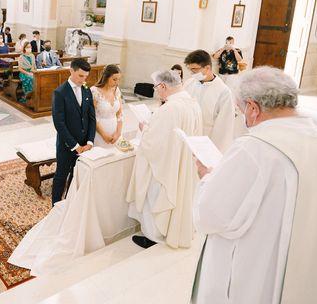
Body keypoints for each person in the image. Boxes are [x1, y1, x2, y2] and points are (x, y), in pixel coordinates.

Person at [191, 67, 317, 304]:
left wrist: (207, 177)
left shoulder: (254, 148)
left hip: (257, 279)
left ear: (253, 108)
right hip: (314, 269)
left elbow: (211, 215)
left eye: (241, 112)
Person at [126, 69, 203, 250]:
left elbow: (155, 142)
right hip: (182, 159)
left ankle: (153, 236)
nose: (156, 91)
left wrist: (145, 128)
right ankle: (171, 229)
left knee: (155, 196)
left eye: (156, 87)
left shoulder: (170, 107)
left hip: (166, 163)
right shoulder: (193, 103)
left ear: (163, 86)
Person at [51, 58, 96, 204]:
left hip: (85, 145)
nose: (83, 80)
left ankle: (70, 203)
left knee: (76, 175)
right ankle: (55, 206)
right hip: (67, 144)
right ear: (71, 71)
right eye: (80, 76)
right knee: (61, 175)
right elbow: (59, 123)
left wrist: (89, 141)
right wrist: (75, 146)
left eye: (86, 77)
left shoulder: (86, 90)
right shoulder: (60, 92)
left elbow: (91, 118)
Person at [183, 49, 235, 153]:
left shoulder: (223, 92)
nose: (191, 73)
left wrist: (213, 153)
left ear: (207, 68)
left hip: (206, 144)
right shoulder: (189, 83)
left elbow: (224, 128)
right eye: (190, 69)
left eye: (194, 69)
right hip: (186, 140)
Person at [91, 64, 123, 147]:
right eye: (114, 79)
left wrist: (118, 132)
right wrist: (103, 134)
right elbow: (92, 116)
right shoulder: (94, 91)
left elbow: (119, 114)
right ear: (106, 77)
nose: (117, 83)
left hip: (115, 132)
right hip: (100, 133)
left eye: (119, 80)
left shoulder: (116, 90)